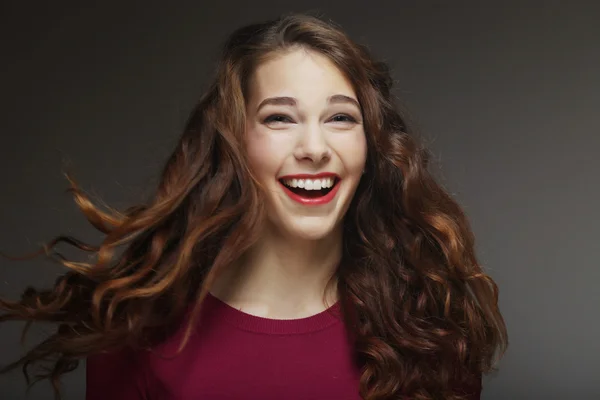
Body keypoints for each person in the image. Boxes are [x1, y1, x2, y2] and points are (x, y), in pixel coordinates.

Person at [0, 13, 507, 400]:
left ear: (371, 144)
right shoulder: (140, 330)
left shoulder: (427, 324)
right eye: (280, 118)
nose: (314, 147)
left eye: (341, 118)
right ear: (235, 141)